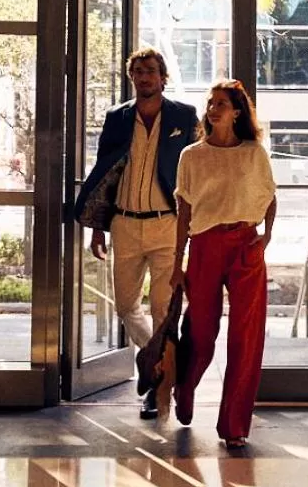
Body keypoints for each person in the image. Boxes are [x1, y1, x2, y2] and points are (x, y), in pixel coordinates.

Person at [73, 48, 198, 418]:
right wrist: (98, 228)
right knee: (126, 306)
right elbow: (104, 172)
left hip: (166, 224)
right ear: (132, 77)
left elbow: (196, 170)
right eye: (138, 71)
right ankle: (158, 364)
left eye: (150, 71)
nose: (144, 77)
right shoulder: (118, 117)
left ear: (163, 77)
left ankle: (156, 388)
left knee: (162, 307)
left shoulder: (184, 116)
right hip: (124, 224)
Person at [172, 79, 277, 450]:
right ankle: (186, 386)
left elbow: (270, 197)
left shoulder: (254, 153)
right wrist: (177, 263)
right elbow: (184, 212)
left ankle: (234, 425)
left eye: (221, 104)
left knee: (246, 337)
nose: (213, 109)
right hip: (205, 245)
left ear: (236, 112)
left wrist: (266, 237)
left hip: (246, 244)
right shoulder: (191, 155)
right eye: (210, 103)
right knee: (201, 333)